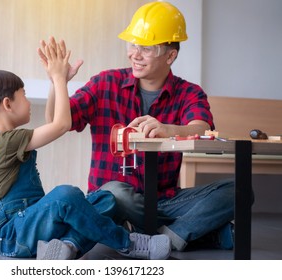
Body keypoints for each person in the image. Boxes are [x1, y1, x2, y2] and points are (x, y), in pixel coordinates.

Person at [40, 2, 236, 252]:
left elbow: (202, 127)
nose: (135, 54)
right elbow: (56, 122)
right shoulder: (105, 83)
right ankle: (194, 234)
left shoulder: (189, 92)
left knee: (238, 190)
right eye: (133, 45)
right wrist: (57, 82)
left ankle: (167, 235)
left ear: (170, 55)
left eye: (146, 48)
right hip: (113, 199)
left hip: (165, 201)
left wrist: (170, 129)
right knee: (114, 193)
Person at [0, 38, 171, 260]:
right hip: (12, 234)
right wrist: (58, 78)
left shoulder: (7, 140)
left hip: (30, 224)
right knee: (66, 194)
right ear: (7, 104)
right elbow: (61, 124)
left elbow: (57, 120)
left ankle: (66, 246)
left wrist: (57, 82)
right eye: (23, 95)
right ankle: (128, 243)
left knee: (106, 199)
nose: (28, 102)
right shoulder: (5, 142)